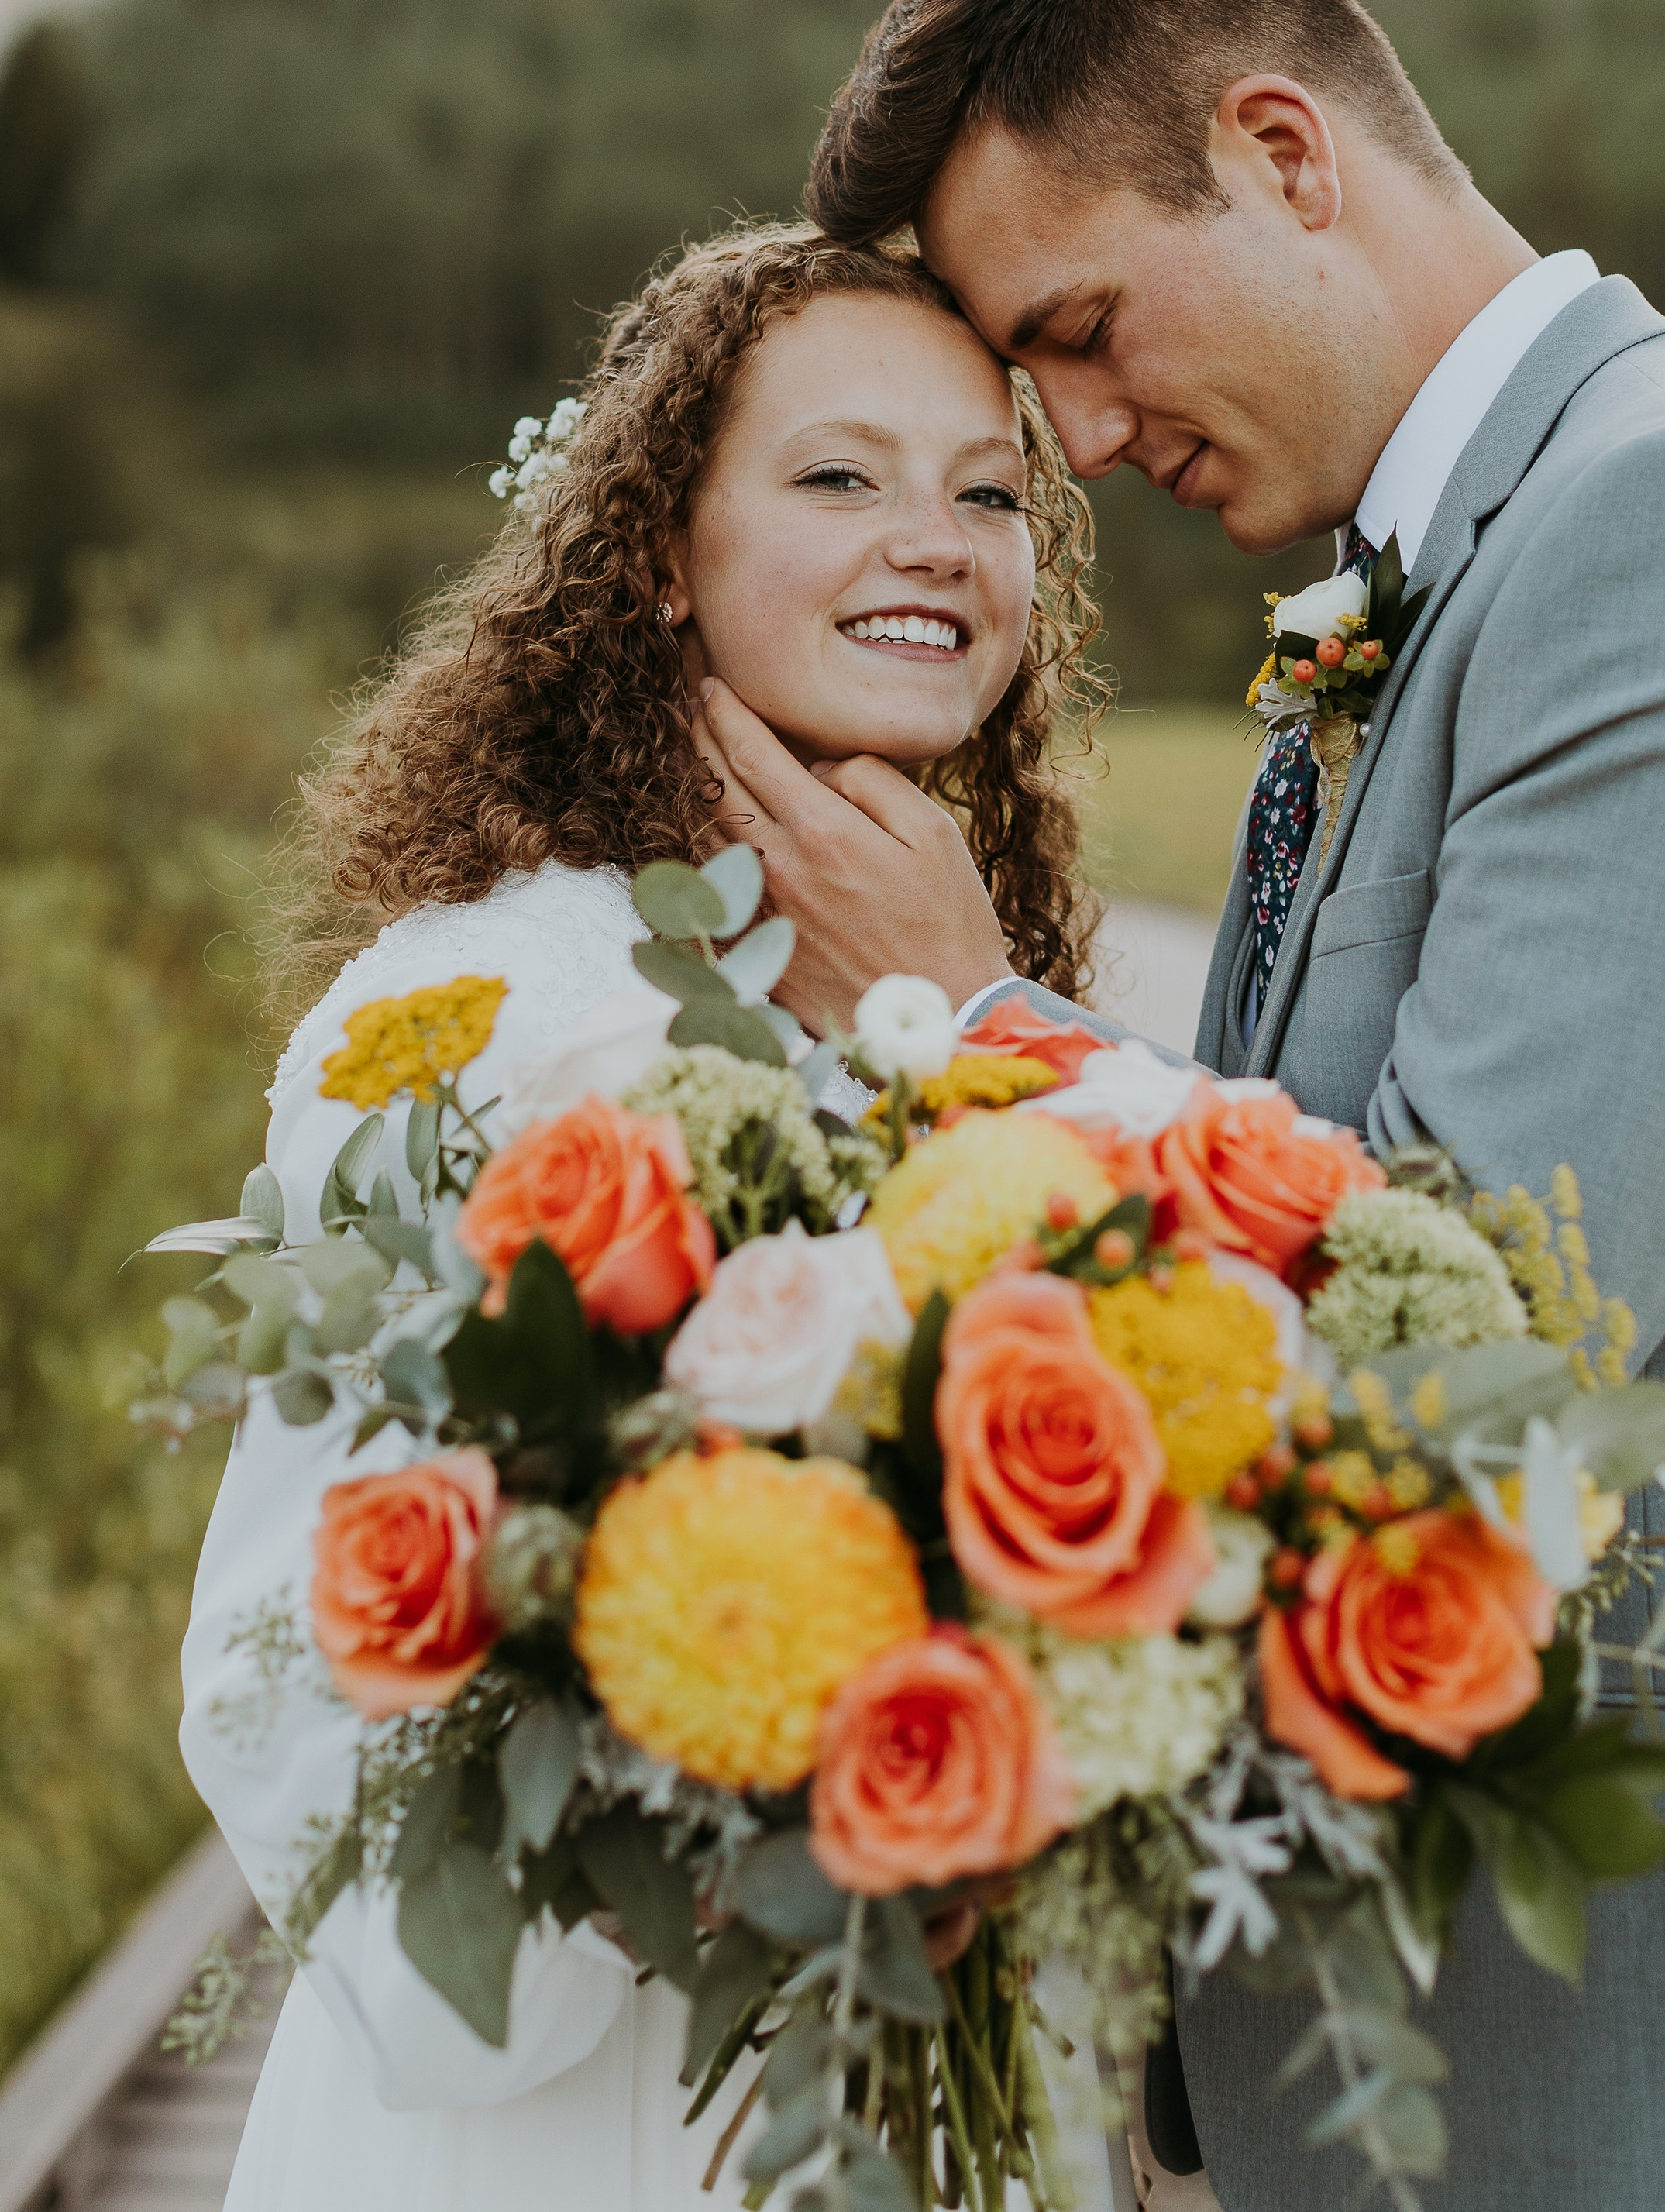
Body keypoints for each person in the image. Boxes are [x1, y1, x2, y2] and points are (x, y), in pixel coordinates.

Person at [692, 0, 1665, 2212]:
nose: (1070, 441)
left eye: (1081, 327)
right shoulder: (1413, 590)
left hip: (1655, 2040)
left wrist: (967, 1015)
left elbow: (1458, 1322)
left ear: (1284, 154)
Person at [180, 224, 1115, 2212]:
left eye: (986, 492)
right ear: (653, 554)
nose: (935, 541)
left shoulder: (973, 988)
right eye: (840, 477)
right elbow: (291, 1638)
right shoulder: (478, 1011)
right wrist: (721, 1855)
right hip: (584, 2125)